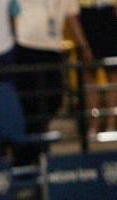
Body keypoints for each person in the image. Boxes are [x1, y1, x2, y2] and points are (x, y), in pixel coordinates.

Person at [15, 0, 92, 132]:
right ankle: (28, 139)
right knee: (28, 99)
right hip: (26, 45)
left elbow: (72, 17)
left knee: (55, 98)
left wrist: (84, 46)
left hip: (53, 47)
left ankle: (40, 133)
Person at [79, 0, 117, 135]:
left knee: (113, 76)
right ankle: (93, 125)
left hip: (110, 13)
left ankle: (111, 124)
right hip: (85, 13)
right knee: (89, 76)